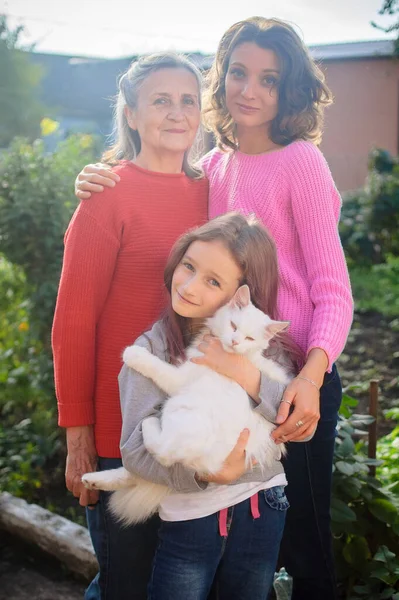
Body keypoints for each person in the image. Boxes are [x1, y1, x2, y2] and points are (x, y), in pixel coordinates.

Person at [75, 17, 354, 600]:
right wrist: (100, 175)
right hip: (224, 379)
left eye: (270, 80)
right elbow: (154, 183)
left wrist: (311, 374)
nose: (250, 91)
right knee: (235, 538)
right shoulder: (214, 169)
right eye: (238, 73)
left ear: (290, 89)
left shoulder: (301, 161)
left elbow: (333, 287)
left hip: (294, 380)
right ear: (221, 78)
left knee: (303, 542)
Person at [53, 52, 218, 600]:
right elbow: (73, 322)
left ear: (201, 114)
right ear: (130, 113)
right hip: (120, 428)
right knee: (127, 584)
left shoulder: (214, 192)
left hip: (196, 427)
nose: (176, 113)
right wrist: (79, 434)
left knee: (186, 585)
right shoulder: (107, 196)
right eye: (160, 101)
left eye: (187, 101)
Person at [118, 212, 298, 600]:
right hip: (190, 512)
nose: (190, 286)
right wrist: (203, 476)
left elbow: (295, 420)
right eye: (189, 266)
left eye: (213, 281)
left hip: (261, 500)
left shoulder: (266, 348)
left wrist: (240, 370)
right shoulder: (151, 349)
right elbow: (134, 451)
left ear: (240, 296)